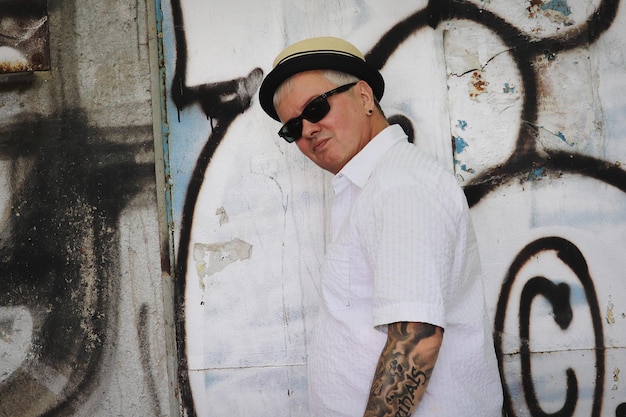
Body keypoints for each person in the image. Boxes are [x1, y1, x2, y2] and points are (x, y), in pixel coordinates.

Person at [259, 36, 503, 417]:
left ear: (364, 96)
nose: (307, 130)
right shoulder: (371, 186)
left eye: (317, 108)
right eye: (292, 127)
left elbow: (416, 341)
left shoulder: (399, 186)